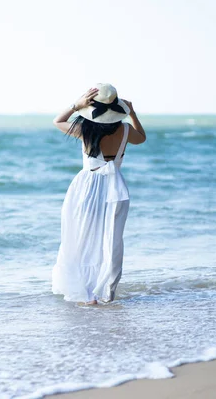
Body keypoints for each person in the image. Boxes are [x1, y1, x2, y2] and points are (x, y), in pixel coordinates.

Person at [51, 83, 146, 305]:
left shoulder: (85, 129)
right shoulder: (124, 130)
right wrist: (132, 114)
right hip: (115, 187)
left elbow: (57, 121)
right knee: (112, 240)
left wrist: (76, 105)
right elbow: (141, 137)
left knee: (84, 238)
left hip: (87, 186)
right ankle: (107, 291)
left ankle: (87, 293)